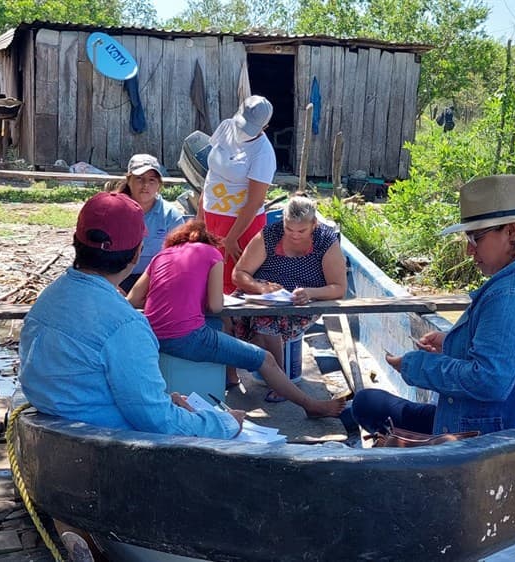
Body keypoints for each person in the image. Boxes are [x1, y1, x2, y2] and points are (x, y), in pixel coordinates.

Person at [351, 175, 515, 438]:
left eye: (476, 238)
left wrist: (414, 365)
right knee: (368, 404)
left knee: (366, 404)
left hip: (499, 432)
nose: (469, 250)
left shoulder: (512, 294)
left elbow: (489, 381)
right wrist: (451, 342)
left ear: (511, 231)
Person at [19, 192, 245, 438]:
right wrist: (224, 423)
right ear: (138, 253)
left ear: (76, 241)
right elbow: (159, 422)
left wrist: (163, 402)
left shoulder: (49, 297)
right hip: (101, 442)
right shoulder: (125, 325)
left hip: (54, 427)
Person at [126, 220, 345, 418]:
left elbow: (134, 299)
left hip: (152, 335)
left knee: (225, 326)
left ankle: (231, 377)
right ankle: (310, 405)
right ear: (209, 241)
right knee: (265, 359)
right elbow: (215, 305)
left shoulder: (160, 256)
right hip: (186, 336)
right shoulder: (212, 254)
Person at [232, 195, 347, 401]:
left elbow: (338, 288)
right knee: (223, 317)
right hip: (262, 294)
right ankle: (230, 377)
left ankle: (281, 382)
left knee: (265, 322)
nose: (294, 235)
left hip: (302, 301)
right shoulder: (270, 234)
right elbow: (239, 273)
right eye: (289, 229)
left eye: (301, 231)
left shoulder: (326, 242)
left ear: (314, 224)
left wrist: (310, 293)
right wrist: (260, 288)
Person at [198, 95, 277, 294]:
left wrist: (232, 238)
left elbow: (254, 201)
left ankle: (233, 323)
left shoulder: (263, 152)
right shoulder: (226, 127)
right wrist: (201, 211)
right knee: (207, 272)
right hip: (211, 214)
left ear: (264, 128)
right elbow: (212, 173)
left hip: (239, 223)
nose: (243, 130)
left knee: (232, 280)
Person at [115, 153, 189, 293]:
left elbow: (180, 259)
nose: (145, 185)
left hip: (157, 281)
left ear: (159, 184)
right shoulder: (115, 211)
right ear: (128, 180)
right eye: (139, 179)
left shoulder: (171, 216)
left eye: (151, 180)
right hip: (118, 279)